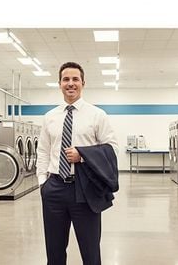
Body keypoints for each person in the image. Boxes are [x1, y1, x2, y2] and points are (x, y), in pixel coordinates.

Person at [35, 62, 118, 265]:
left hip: (85, 189)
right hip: (54, 188)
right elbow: (43, 151)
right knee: (54, 251)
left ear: (83, 83)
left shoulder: (97, 115)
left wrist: (82, 155)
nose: (70, 84)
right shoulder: (50, 117)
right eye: (66, 79)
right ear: (60, 84)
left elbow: (112, 149)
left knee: (90, 251)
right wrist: (42, 183)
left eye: (75, 79)